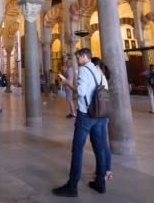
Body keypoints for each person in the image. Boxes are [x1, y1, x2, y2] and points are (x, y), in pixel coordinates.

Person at [53, 48, 108, 197]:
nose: (77, 60)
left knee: (77, 150)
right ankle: (100, 183)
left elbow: (82, 92)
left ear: (84, 57)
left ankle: (72, 187)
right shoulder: (98, 71)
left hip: (86, 115)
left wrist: (68, 84)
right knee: (99, 149)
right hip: (99, 115)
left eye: (78, 58)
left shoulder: (84, 70)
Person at [90, 57, 113, 182]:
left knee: (101, 144)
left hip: (99, 114)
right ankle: (105, 169)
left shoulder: (98, 77)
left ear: (96, 67)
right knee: (102, 144)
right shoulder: (101, 76)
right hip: (102, 114)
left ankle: (104, 171)